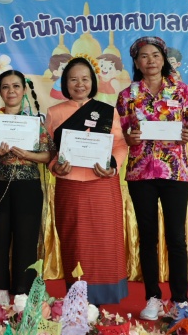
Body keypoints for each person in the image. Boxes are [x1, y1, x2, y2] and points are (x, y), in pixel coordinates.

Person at [116, 36, 188, 320]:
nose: (150, 60)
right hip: (140, 172)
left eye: (155, 55)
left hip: (175, 171)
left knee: (176, 237)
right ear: (136, 62)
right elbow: (122, 133)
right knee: (148, 237)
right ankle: (152, 297)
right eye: (144, 56)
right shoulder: (127, 95)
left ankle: (180, 300)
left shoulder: (181, 90)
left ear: (163, 59)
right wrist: (130, 138)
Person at [45, 57, 128, 306]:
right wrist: (54, 166)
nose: (79, 84)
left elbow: (120, 145)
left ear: (93, 82)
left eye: (85, 79)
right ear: (65, 83)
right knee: (76, 242)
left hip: (102, 184)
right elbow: (49, 150)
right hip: (70, 186)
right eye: (73, 79)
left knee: (104, 241)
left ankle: (102, 299)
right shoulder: (54, 113)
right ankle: (78, 298)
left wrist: (112, 165)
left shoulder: (107, 111)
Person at [0, 70, 51, 306]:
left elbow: (48, 155)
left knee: (26, 238)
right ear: (0, 92)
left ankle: (23, 290)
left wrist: (28, 155)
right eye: (6, 87)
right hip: (0, 186)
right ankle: (0, 288)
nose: (11, 91)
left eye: (16, 86)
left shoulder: (35, 122)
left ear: (24, 90)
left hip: (28, 187)